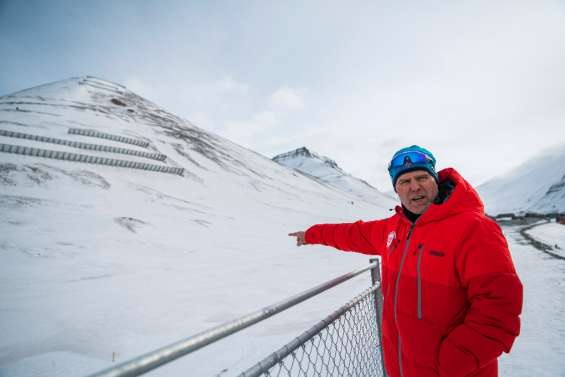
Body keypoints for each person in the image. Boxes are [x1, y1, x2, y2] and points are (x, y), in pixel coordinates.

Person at [289, 145, 523, 377]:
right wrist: (311, 235)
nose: (415, 187)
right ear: (397, 190)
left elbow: (499, 310)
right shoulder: (393, 228)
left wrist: (451, 363)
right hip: (401, 367)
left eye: (422, 177)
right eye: (405, 181)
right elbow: (351, 234)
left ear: (435, 181)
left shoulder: (474, 229)